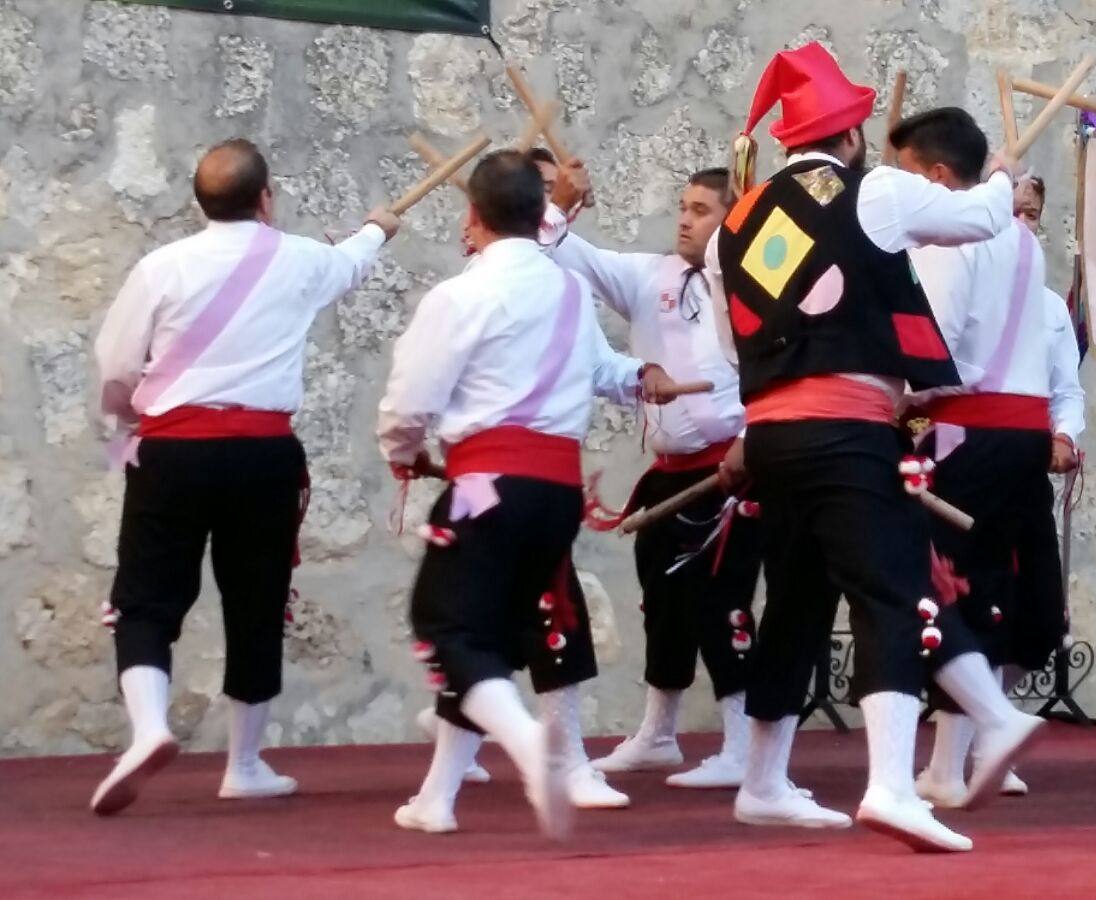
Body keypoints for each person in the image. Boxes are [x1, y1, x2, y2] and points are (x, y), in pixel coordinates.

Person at [706, 42, 1039, 853]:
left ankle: (763, 780)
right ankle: (891, 785)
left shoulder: (738, 220)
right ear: (852, 133)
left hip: (775, 433)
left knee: (797, 599)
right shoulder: (876, 191)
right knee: (893, 592)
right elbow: (981, 218)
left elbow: (729, 345)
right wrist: (1005, 172)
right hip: (848, 430)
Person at [88, 139, 400, 816]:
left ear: (199, 201)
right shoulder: (299, 259)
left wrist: (122, 422)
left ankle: (148, 729)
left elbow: (115, 364)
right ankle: (245, 764)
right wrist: (378, 226)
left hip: (171, 452)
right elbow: (350, 263)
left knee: (145, 597)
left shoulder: (160, 267)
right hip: (264, 454)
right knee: (256, 600)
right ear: (266, 198)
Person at [379, 150, 682, 835]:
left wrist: (403, 454)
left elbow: (409, 401)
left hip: (487, 485)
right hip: (555, 492)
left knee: (445, 625)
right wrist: (639, 376)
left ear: (473, 216)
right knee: (483, 633)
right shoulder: (569, 290)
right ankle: (437, 798)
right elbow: (601, 367)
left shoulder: (461, 295)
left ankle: (523, 741)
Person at [884, 108, 1085, 807]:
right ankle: (947, 764)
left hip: (965, 432)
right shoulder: (1025, 241)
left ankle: (978, 737)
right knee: (981, 591)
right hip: (1021, 434)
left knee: (933, 587)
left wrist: (900, 396)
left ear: (937, 176)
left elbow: (936, 346)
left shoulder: (950, 235)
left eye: (904, 173)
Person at [549, 168, 762, 790]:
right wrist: (564, 201)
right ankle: (659, 733)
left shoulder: (755, 285)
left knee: (723, 600)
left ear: (732, 219)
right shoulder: (648, 276)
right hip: (669, 472)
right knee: (662, 601)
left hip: (733, 470)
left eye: (701, 209)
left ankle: (742, 741)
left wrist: (753, 440)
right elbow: (564, 248)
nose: (685, 219)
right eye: (682, 206)